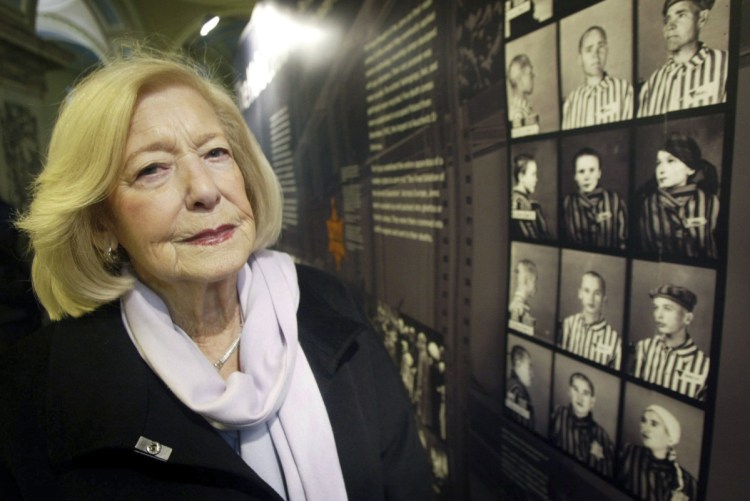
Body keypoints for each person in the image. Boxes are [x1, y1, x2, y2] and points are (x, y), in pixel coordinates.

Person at [0, 51, 433, 500]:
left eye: (215, 153)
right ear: (101, 223)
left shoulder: (328, 304)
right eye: (152, 169)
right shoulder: (37, 391)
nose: (205, 190)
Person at [637, 0, 728, 117]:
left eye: (681, 15)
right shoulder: (653, 82)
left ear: (702, 18)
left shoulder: (725, 64)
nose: (670, 25)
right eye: (667, 19)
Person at [638, 133, 719, 259]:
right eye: (658, 162)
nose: (661, 169)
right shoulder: (648, 204)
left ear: (690, 169)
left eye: (671, 161)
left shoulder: (710, 202)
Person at [633, 285, 709, 400]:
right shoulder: (645, 347)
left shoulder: (705, 366)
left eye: (667, 308)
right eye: (656, 307)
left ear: (687, 318)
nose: (659, 315)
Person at [618, 404, 698, 501]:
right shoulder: (630, 453)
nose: (645, 428)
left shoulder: (688, 482)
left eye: (654, 424)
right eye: (644, 420)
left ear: (670, 438)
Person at [562, 26, 633, 130]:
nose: (595, 55)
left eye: (600, 47)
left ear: (607, 51)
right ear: (580, 59)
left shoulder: (624, 89)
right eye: (589, 49)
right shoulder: (571, 101)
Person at [550, 372, 615, 476]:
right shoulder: (558, 414)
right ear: (569, 392)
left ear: (592, 402)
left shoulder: (602, 436)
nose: (579, 397)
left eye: (585, 393)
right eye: (576, 389)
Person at [562, 147, 627, 250]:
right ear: (575, 176)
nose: (587, 177)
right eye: (581, 171)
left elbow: (624, 242)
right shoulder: (567, 203)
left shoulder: (614, 200)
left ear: (599, 173)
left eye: (592, 170)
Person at [560, 271, 622, 369]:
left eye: (597, 293)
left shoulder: (615, 341)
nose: (591, 298)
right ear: (580, 294)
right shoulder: (568, 324)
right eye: (587, 291)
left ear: (604, 299)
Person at [511, 153, 551, 241]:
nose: (536, 179)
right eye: (533, 174)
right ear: (521, 176)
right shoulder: (520, 203)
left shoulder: (528, 203)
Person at [505, 345, 535, 430]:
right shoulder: (516, 391)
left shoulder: (511, 385)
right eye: (529, 366)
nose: (532, 374)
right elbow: (523, 428)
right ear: (518, 364)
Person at [507, 54, 539, 130]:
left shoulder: (526, 108)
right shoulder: (517, 115)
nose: (533, 76)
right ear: (520, 79)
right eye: (530, 73)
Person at [508, 259, 538, 329]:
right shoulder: (519, 308)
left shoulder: (520, 305)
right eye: (535, 280)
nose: (536, 286)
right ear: (528, 280)